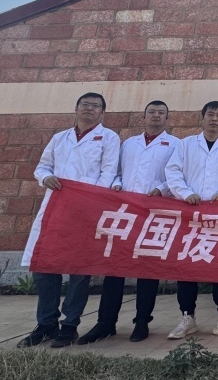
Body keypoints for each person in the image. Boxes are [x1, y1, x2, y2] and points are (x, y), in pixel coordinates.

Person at [18, 93, 120, 349]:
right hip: (56, 209)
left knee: (79, 271)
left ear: (102, 113)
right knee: (44, 267)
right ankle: (46, 324)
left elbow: (108, 173)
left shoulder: (109, 138)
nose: (89, 109)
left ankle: (70, 325)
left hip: (85, 211)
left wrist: (89, 199)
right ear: (76, 108)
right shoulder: (59, 138)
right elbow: (42, 167)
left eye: (95, 106)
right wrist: (45, 178)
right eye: (85, 104)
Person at [77, 101, 180, 345]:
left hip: (154, 214)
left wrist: (161, 189)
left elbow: (176, 175)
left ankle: (142, 321)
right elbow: (117, 172)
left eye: (161, 113)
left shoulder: (176, 145)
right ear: (144, 116)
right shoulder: (129, 144)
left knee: (147, 270)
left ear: (167, 118)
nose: (156, 116)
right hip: (125, 214)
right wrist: (116, 185)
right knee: (114, 269)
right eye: (151, 112)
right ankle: (105, 323)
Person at [164, 101, 218, 339]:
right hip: (190, 214)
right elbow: (173, 171)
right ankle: (187, 317)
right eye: (210, 114)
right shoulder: (186, 144)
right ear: (202, 117)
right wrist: (186, 193)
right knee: (187, 266)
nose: (214, 119)